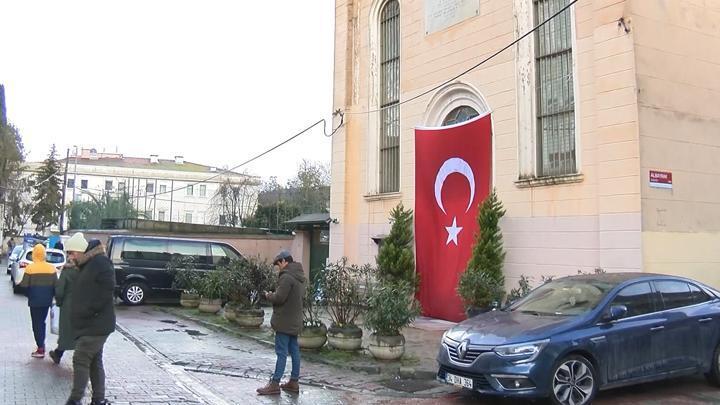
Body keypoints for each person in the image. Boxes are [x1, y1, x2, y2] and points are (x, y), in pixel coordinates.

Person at [64, 234, 115, 405]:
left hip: (96, 324)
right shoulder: (86, 264)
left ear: (80, 250)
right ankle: (98, 399)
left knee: (81, 358)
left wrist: (89, 311)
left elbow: (107, 291)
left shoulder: (100, 262)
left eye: (72, 253)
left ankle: (75, 399)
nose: (70, 257)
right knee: (94, 361)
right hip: (90, 323)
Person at [256, 250, 306, 396]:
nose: (279, 268)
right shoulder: (299, 276)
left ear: (284, 261)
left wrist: (268, 295)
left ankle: (275, 383)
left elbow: (279, 298)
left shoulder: (286, 277)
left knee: (281, 352)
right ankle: (294, 382)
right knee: (294, 350)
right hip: (295, 320)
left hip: (284, 321)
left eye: (279, 264)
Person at [18, 244, 58, 358]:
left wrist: (29, 294)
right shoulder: (51, 268)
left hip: (34, 302)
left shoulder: (30, 268)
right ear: (44, 254)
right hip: (46, 302)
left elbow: (24, 285)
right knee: (42, 322)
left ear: (35, 254)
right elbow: (56, 286)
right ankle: (42, 345)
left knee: (36, 324)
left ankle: (40, 348)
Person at [49, 243, 79, 365]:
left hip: (68, 305)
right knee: (78, 332)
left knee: (66, 331)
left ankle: (58, 353)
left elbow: (60, 290)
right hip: (82, 304)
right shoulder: (84, 269)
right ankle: (63, 353)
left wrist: (59, 302)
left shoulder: (67, 270)